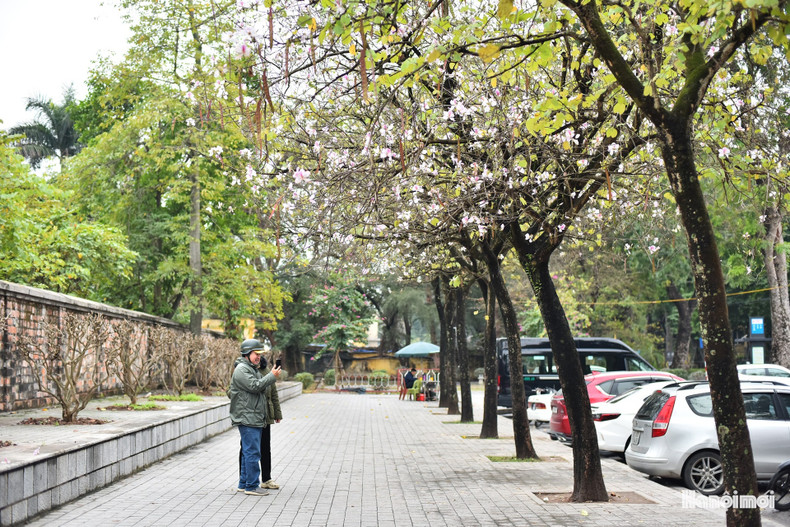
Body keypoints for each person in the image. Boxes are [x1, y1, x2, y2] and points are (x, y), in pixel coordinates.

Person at [229, 338, 281, 496]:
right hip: (247, 416)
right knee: (252, 452)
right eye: (255, 353)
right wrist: (271, 376)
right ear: (246, 354)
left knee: (248, 451)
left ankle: (243, 484)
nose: (258, 356)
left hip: (252, 416)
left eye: (259, 353)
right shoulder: (242, 370)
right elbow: (255, 386)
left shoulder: (251, 368)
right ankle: (252, 486)